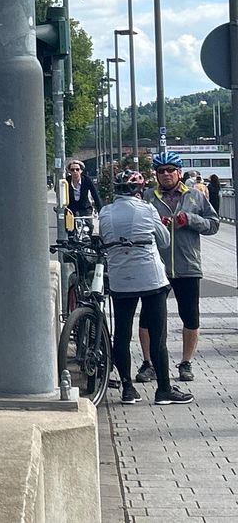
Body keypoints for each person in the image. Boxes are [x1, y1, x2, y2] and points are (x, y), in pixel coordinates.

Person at [100, 169, 192, 405]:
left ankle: (127, 389)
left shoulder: (105, 212)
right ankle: (164, 390)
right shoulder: (147, 209)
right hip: (150, 278)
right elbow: (165, 240)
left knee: (122, 334)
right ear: (139, 190)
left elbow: (102, 237)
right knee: (157, 334)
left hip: (120, 278)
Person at [132, 150, 221, 385]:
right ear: (156, 175)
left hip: (187, 264)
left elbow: (214, 225)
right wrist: (155, 225)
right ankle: (148, 363)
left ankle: (186, 362)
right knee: (148, 317)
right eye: (161, 171)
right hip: (155, 266)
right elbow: (136, 226)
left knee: (190, 315)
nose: (166, 174)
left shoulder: (195, 196)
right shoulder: (147, 197)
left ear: (179, 172)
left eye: (171, 170)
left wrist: (190, 220)